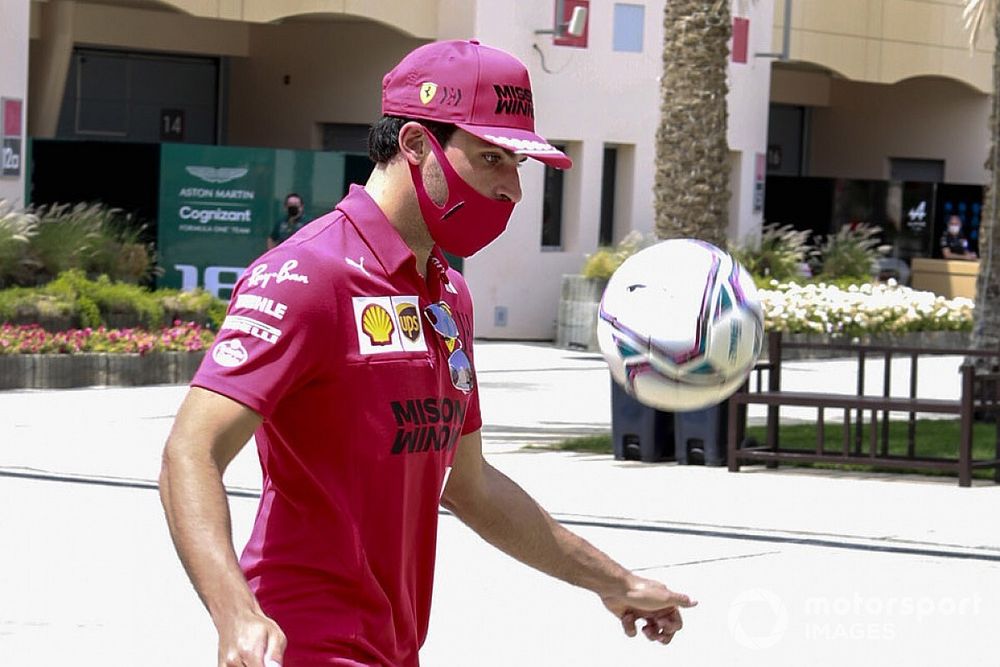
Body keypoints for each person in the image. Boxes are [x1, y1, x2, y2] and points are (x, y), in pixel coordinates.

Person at [159, 39, 695, 667]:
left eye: (517, 164)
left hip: (396, 647)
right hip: (303, 643)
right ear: (415, 143)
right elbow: (190, 451)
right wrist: (235, 613)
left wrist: (615, 582)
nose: (513, 189)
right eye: (492, 158)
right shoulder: (308, 276)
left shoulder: (448, 295)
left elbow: (471, 487)